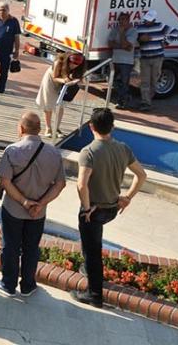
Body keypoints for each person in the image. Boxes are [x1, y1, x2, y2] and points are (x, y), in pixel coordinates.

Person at [71, 108, 148, 308]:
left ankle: (94, 295)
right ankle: (88, 269)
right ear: (112, 127)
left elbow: (81, 184)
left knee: (92, 250)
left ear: (91, 126)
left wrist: (87, 209)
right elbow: (142, 175)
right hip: (112, 209)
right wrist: (128, 198)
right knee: (93, 244)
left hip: (94, 211)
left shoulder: (88, 152)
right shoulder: (123, 148)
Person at [0, 111, 66, 298]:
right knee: (32, 248)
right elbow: (60, 184)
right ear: (40, 129)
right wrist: (40, 204)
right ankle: (28, 285)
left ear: (21, 128)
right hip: (38, 213)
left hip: (13, 209)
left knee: (10, 246)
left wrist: (24, 202)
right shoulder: (54, 153)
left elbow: (5, 182)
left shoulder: (12, 150)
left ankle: (8, 284)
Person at [135, 10, 178, 112]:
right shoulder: (140, 28)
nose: (147, 22)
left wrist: (166, 43)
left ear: (154, 20)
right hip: (145, 58)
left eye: (149, 20)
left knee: (154, 80)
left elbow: (175, 32)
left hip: (157, 57)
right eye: (146, 20)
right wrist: (141, 39)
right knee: (145, 81)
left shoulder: (160, 26)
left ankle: (148, 99)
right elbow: (135, 40)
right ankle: (145, 102)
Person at [35, 52, 85, 137]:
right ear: (68, 59)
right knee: (48, 103)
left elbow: (80, 78)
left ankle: (56, 128)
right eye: (72, 63)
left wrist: (76, 80)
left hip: (64, 81)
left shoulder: (80, 67)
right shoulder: (59, 62)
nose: (74, 65)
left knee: (60, 106)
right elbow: (55, 77)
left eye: (77, 64)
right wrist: (65, 80)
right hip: (51, 79)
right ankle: (48, 128)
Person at [108, 12, 138, 110]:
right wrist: (123, 46)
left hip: (126, 62)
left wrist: (121, 34)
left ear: (128, 20)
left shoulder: (133, 31)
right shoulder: (115, 29)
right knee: (112, 80)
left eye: (124, 19)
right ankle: (126, 96)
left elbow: (127, 46)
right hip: (115, 59)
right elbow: (110, 43)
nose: (121, 21)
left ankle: (122, 102)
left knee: (124, 82)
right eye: (120, 19)